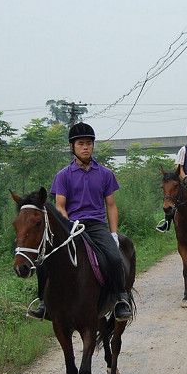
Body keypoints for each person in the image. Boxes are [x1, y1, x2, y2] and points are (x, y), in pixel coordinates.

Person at [27, 123, 133, 322]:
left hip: (96, 225)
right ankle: (42, 302)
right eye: (81, 144)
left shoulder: (105, 174)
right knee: (43, 260)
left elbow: (111, 205)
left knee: (115, 258)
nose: (85, 147)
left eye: (89, 143)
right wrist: (67, 226)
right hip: (71, 226)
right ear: (73, 147)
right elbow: (60, 205)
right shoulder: (63, 175)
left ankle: (120, 299)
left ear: (93, 146)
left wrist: (113, 233)